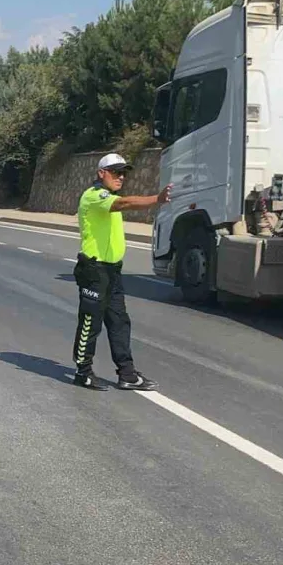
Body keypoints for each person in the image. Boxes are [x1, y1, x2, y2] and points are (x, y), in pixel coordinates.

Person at [72, 153, 172, 391]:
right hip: (94, 270)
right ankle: (83, 372)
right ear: (101, 174)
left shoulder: (109, 197)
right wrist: (156, 198)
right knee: (90, 322)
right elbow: (124, 204)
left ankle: (126, 374)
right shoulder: (95, 196)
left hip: (113, 271)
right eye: (116, 172)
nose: (121, 177)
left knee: (119, 322)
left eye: (124, 173)